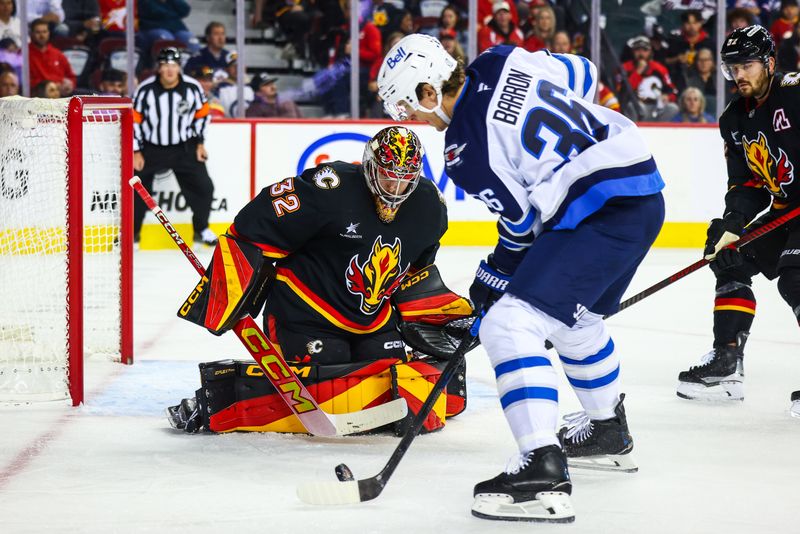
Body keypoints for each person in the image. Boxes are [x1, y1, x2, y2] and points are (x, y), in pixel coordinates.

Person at [377, 33, 665, 522]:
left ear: (429, 91)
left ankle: (540, 470)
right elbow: (583, 74)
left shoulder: (465, 150)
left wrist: (492, 278)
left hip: (594, 215)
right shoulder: (501, 58)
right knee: (577, 323)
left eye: (412, 109)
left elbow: (520, 227)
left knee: (508, 326)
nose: (417, 122)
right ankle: (608, 431)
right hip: (640, 193)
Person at [166, 126, 474, 434]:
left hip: (373, 320)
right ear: (369, 167)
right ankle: (217, 402)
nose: (394, 187)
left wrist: (433, 317)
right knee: (329, 367)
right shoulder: (329, 187)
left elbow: (415, 273)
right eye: (387, 175)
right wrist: (233, 282)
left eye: (404, 178)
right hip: (305, 314)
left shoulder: (430, 206)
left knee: (387, 372)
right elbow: (251, 225)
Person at [675, 25, 800, 415]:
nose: (740, 74)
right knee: (730, 258)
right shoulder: (733, 119)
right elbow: (748, 184)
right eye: (733, 67)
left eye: (747, 64)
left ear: (769, 62)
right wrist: (732, 223)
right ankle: (727, 363)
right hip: (786, 211)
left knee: (796, 277)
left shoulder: (795, 92)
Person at [131, 47, 217, 247]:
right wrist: (136, 151)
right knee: (137, 190)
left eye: (174, 65)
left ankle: (201, 229)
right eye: (165, 65)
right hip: (151, 149)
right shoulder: (145, 90)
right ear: (159, 69)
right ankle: (132, 235)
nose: (170, 70)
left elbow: (203, 115)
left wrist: (200, 143)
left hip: (184, 148)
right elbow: (134, 121)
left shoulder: (192, 88)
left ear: (179, 68)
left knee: (205, 187)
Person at [619, 35, 679, 121]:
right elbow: (622, 93)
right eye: (637, 50)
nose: (641, 53)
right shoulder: (625, 68)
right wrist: (638, 72)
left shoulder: (659, 69)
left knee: (673, 107)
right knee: (633, 106)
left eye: (645, 50)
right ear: (632, 51)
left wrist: (668, 97)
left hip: (657, 107)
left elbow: (673, 90)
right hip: (636, 106)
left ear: (650, 52)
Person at [28, 18, 76, 96]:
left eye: (44, 32)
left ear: (49, 33)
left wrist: (69, 85)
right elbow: (24, 81)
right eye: (38, 32)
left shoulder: (58, 54)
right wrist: (50, 85)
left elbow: (71, 77)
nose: (42, 35)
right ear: (31, 34)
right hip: (36, 97)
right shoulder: (24, 54)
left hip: (60, 96)